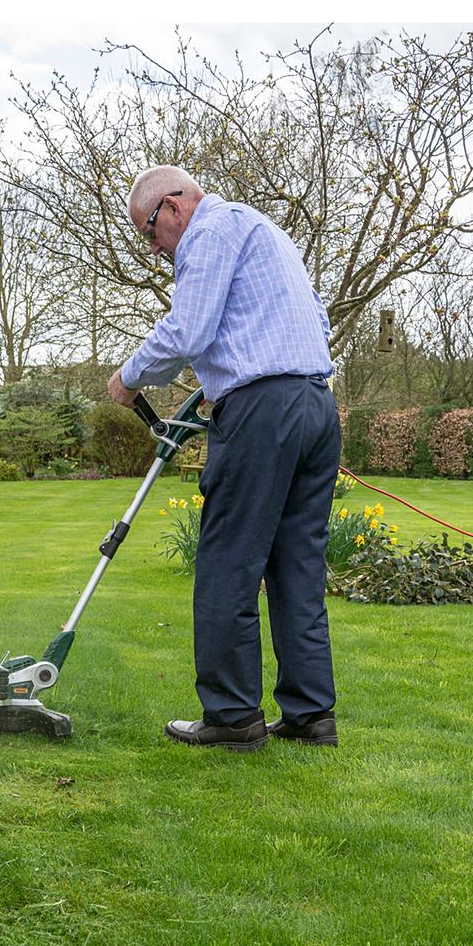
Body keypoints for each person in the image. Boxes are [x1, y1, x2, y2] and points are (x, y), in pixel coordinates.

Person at [107, 166, 341, 751]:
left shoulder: (208, 231)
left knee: (228, 563)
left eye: (149, 232)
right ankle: (311, 715)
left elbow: (189, 329)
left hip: (263, 414)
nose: (154, 249)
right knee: (297, 567)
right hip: (316, 406)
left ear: (172, 206)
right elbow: (316, 318)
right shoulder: (266, 231)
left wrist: (129, 377)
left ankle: (233, 716)